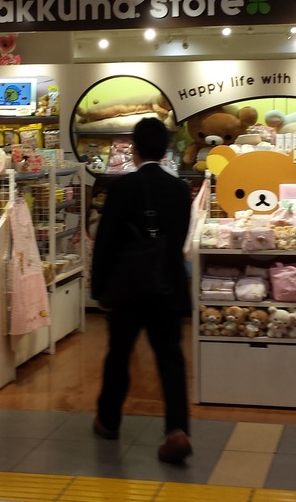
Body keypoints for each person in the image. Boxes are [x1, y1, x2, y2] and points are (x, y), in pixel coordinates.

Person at [90, 117, 193, 463]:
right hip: (168, 285)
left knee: (119, 355)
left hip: (127, 286)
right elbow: (178, 239)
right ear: (165, 150)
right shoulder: (180, 189)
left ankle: (108, 420)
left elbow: (106, 241)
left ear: (133, 148)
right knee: (171, 359)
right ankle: (177, 430)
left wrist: (100, 289)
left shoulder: (122, 187)